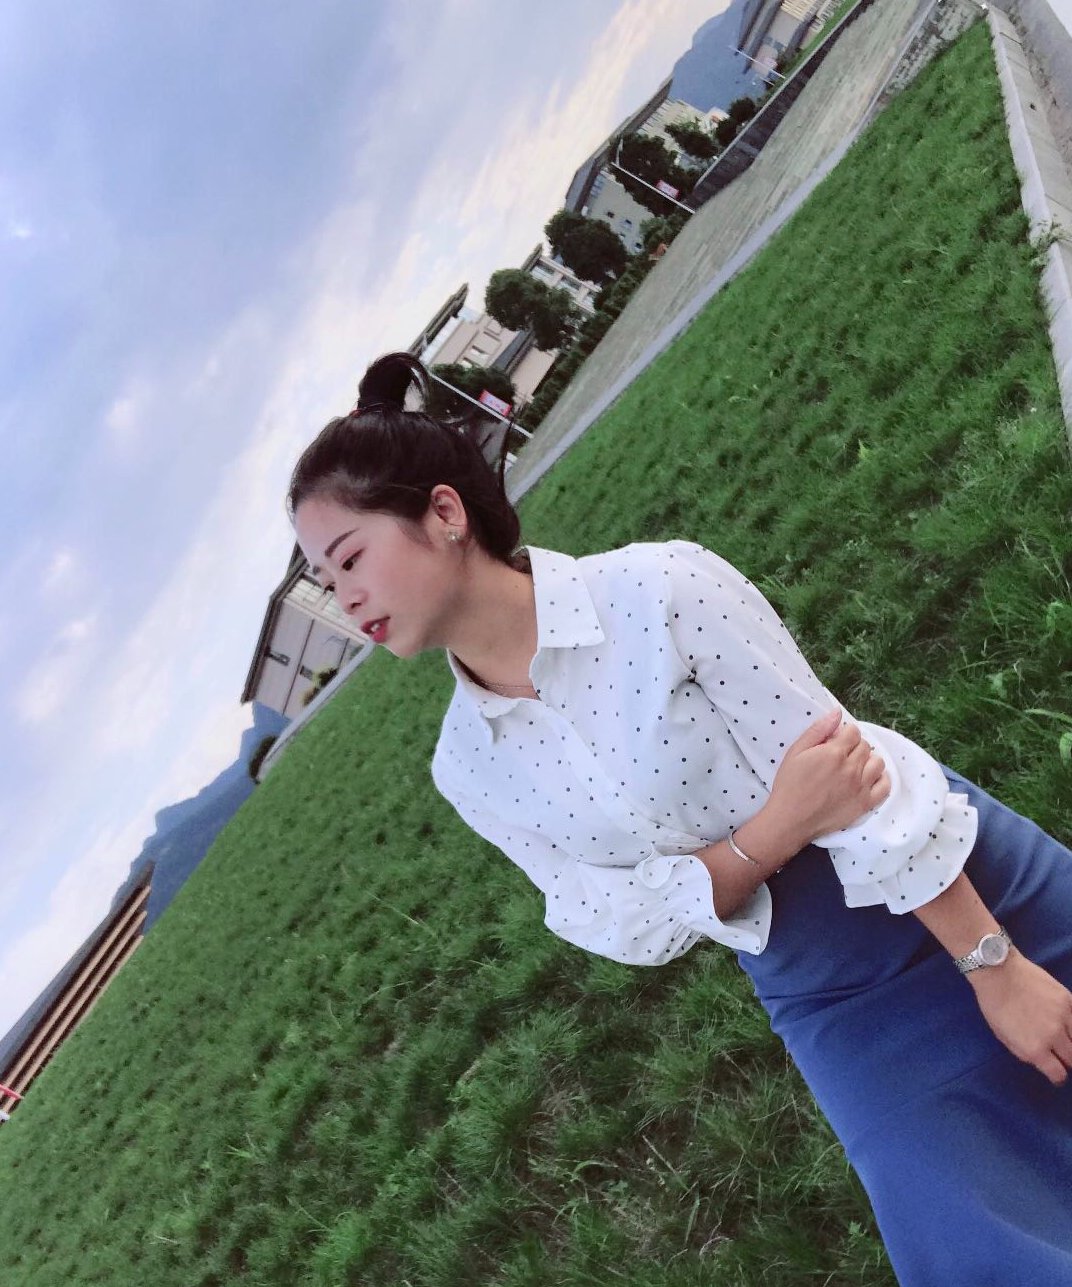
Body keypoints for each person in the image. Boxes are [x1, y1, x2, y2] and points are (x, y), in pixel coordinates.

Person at [288, 351, 1072, 1285]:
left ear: (445, 514)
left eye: (350, 558)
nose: (346, 600)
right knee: (970, 1239)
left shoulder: (660, 590)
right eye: (325, 580)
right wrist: (771, 830)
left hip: (950, 877)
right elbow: (615, 921)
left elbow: (851, 782)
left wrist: (994, 964)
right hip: (823, 989)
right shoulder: (467, 766)